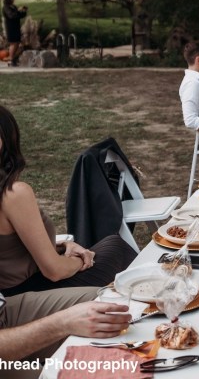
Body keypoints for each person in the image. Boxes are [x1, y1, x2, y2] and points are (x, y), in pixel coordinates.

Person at [0, 105, 136, 297]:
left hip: (14, 290)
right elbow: (54, 271)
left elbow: (9, 250)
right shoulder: (13, 193)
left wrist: (62, 246)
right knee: (115, 248)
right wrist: (82, 260)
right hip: (28, 292)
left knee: (112, 247)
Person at [0, 288, 130, 376]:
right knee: (54, 375)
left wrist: (60, 246)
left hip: (4, 308)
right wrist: (62, 323)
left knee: (105, 302)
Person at [2, 0, 27, 67]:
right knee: (13, 43)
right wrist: (18, 11)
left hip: (16, 26)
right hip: (10, 27)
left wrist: (23, 11)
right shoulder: (6, 7)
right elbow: (11, 16)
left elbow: (19, 15)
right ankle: (11, 59)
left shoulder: (13, 6)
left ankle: (13, 58)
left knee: (17, 42)